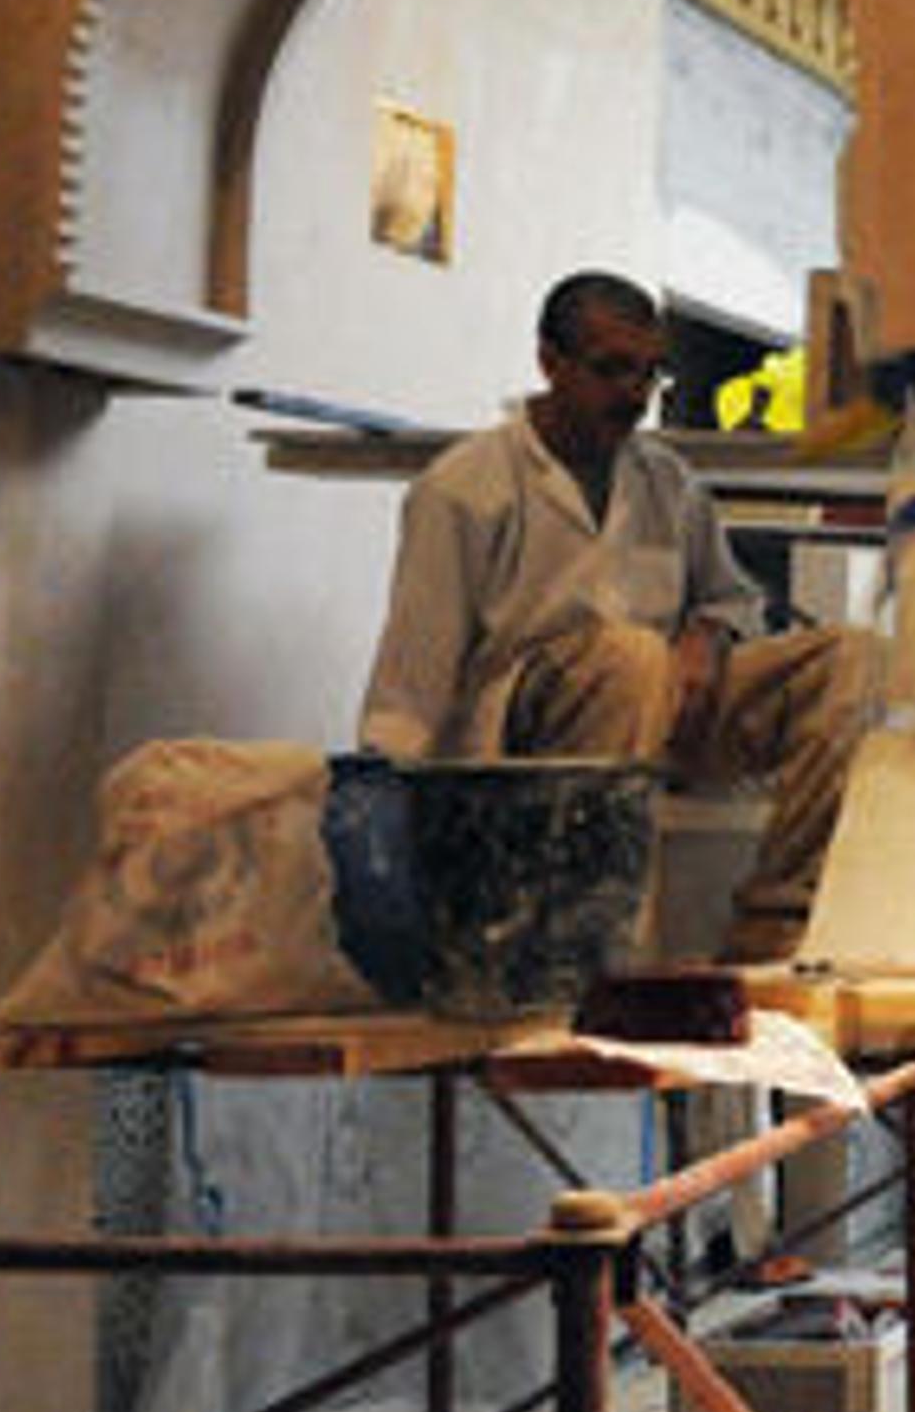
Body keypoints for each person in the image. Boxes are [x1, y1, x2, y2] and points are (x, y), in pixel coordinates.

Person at [358, 271, 876, 961]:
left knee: (851, 661)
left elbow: (732, 597)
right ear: (550, 362)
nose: (633, 395)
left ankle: (775, 925)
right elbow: (412, 674)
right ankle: (597, 944)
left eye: (649, 375)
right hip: (527, 743)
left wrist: (706, 634)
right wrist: (389, 833)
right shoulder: (463, 487)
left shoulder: (667, 480)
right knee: (628, 658)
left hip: (662, 709)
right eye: (611, 371)